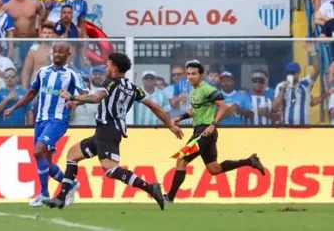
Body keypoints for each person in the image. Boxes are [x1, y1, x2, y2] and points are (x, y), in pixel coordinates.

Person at [42, 52, 183, 210]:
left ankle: (150, 188)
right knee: (72, 155)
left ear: (114, 69)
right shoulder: (133, 88)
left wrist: (72, 97)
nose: (105, 67)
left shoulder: (109, 82)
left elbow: (96, 98)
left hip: (107, 130)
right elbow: (156, 107)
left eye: (107, 65)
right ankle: (61, 197)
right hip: (106, 131)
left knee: (110, 170)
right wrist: (170, 125)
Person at [164, 60, 265, 203]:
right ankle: (250, 161)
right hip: (204, 132)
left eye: (194, 74)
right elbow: (195, 110)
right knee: (214, 169)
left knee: (181, 160)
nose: (190, 77)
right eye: (188, 74)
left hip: (204, 132)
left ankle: (169, 197)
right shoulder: (194, 89)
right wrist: (179, 118)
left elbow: (224, 107)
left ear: (201, 75)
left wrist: (212, 125)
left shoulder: (207, 89)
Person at [4, 43, 88, 207]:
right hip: (40, 120)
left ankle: (43, 194)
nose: (57, 54)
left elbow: (85, 93)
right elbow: (31, 92)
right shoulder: (43, 72)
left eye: (60, 52)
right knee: (45, 160)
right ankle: (70, 185)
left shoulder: (71, 74)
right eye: (55, 51)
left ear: (67, 54)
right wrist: (14, 107)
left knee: (38, 151)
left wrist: (73, 100)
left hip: (58, 120)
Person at [273, 44, 320, 125]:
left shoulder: (305, 83)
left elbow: (317, 70)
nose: (290, 75)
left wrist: (313, 53)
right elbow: (274, 107)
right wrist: (283, 89)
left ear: (298, 73)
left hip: (304, 127)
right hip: (287, 127)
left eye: (293, 73)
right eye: (288, 73)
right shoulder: (280, 86)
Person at [21, 22, 55, 89]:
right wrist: (24, 89)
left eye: (49, 33)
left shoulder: (57, 49)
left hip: (52, 86)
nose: (47, 35)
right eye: (45, 33)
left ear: (53, 34)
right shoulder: (34, 49)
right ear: (41, 34)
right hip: (36, 85)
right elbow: (26, 71)